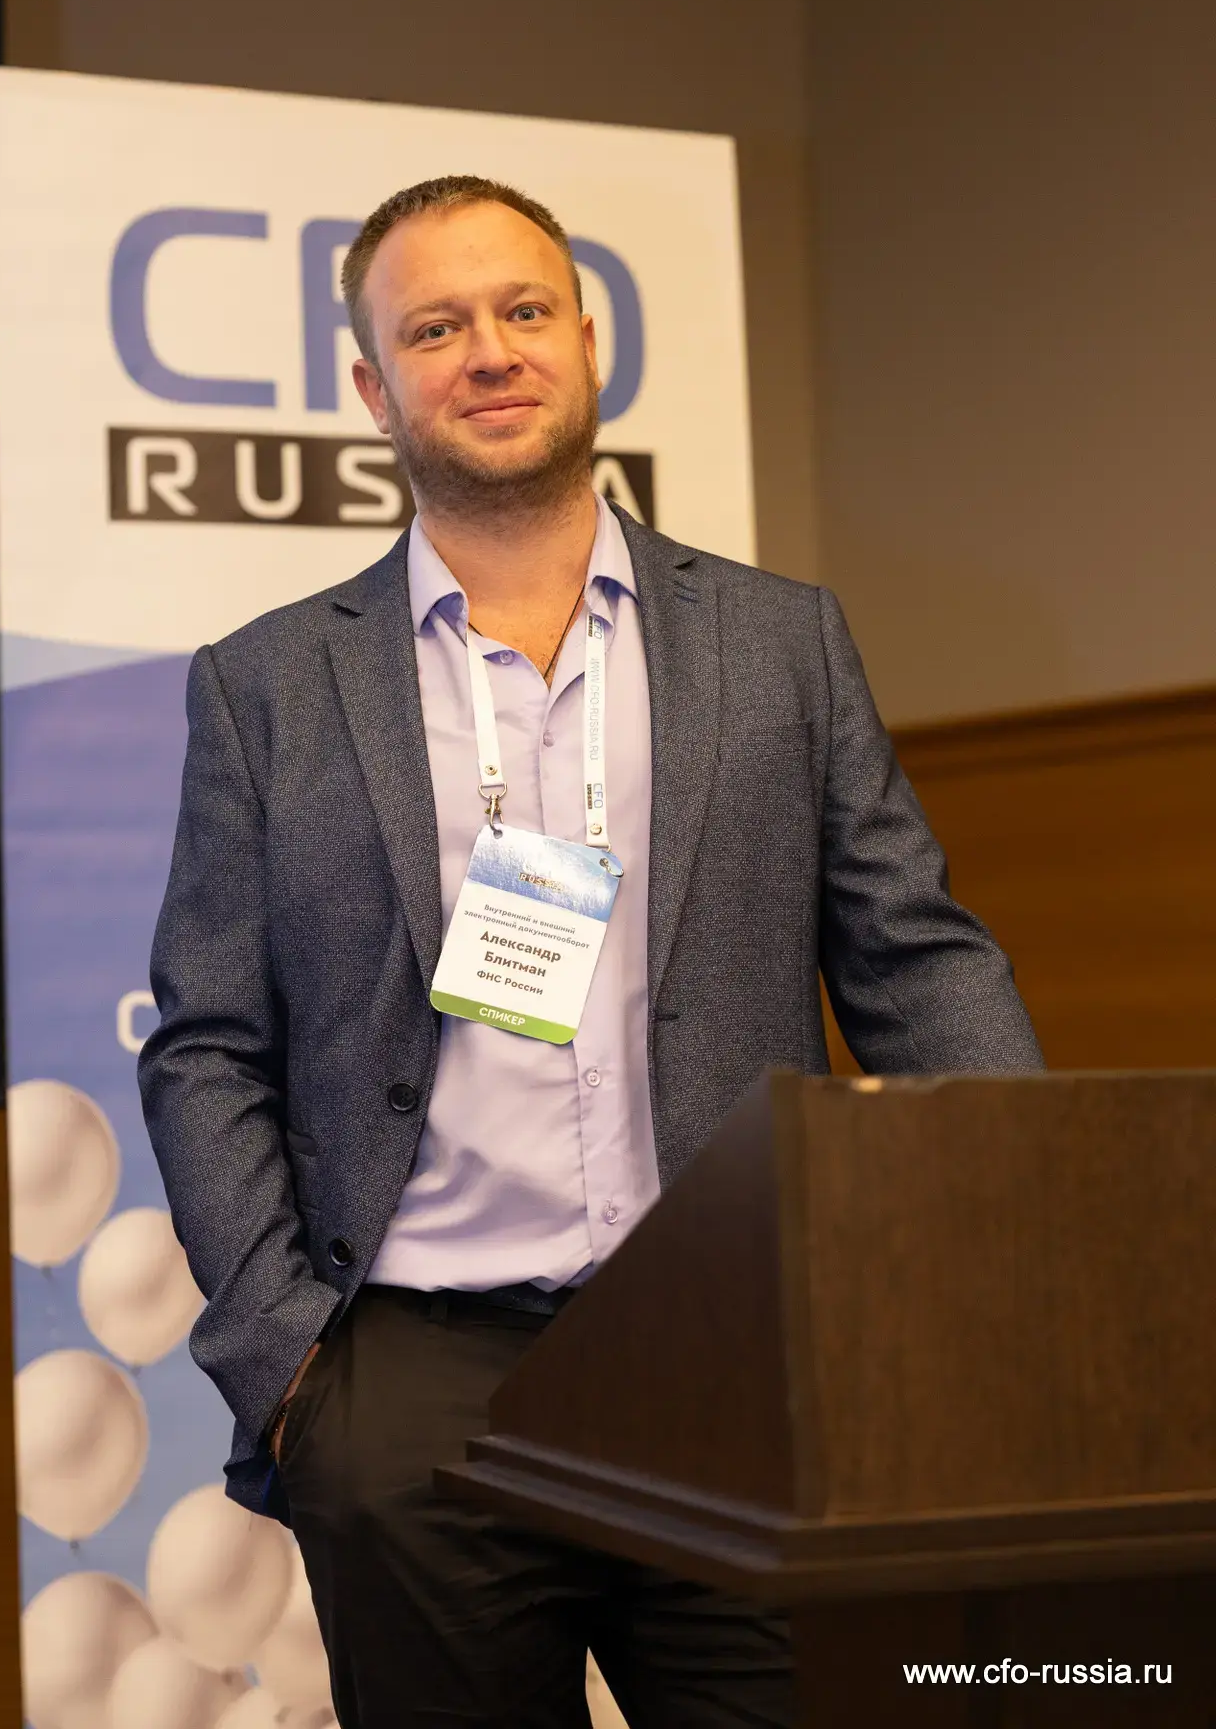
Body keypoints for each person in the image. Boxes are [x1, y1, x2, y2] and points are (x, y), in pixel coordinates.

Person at [140, 174, 1043, 1728]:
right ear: (373, 388)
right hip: (411, 1379)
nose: (489, 351)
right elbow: (208, 1042)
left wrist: (1024, 1226)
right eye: (435, 328)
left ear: (588, 342)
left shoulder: (781, 642)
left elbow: (915, 959)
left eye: (523, 310)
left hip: (741, 1357)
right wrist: (293, 1367)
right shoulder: (269, 686)